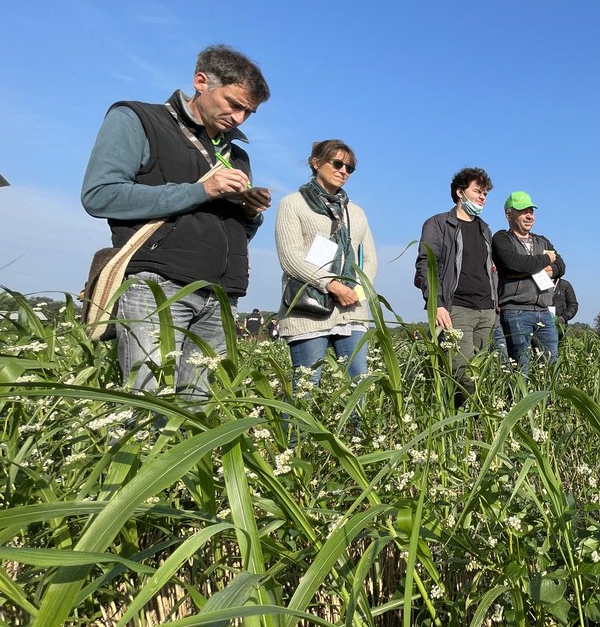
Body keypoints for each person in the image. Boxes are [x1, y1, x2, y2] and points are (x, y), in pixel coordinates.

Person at [80, 44, 271, 399]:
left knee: (200, 413)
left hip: (221, 294)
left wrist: (249, 214)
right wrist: (202, 189)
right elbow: (100, 194)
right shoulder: (138, 119)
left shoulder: (236, 154)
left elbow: (230, 232)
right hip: (158, 286)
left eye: (250, 111)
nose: (240, 118)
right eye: (234, 104)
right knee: (145, 405)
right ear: (202, 82)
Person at [275, 140, 377, 383]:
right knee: (306, 387)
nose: (343, 171)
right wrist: (332, 285)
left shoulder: (356, 212)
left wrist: (357, 291)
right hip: (309, 308)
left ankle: (355, 425)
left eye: (349, 168)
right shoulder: (292, 204)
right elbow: (290, 257)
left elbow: (369, 257)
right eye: (338, 163)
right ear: (316, 163)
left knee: (359, 387)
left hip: (351, 310)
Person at [415, 168, 499, 393]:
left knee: (481, 373)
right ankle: (464, 423)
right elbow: (426, 265)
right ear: (460, 192)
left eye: (485, 193)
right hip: (456, 309)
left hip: (486, 310)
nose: (483, 197)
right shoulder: (438, 224)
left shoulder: (485, 229)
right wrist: (437, 303)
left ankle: (472, 424)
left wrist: (495, 304)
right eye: (477, 191)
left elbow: (489, 269)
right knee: (462, 374)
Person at [492, 191, 565, 371]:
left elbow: (561, 266)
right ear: (508, 215)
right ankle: (518, 400)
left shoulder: (542, 240)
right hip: (515, 311)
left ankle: (547, 400)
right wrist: (546, 261)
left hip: (544, 312)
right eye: (523, 211)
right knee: (519, 368)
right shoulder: (502, 238)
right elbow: (511, 263)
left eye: (531, 211)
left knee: (550, 367)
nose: (529, 216)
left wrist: (527, 268)